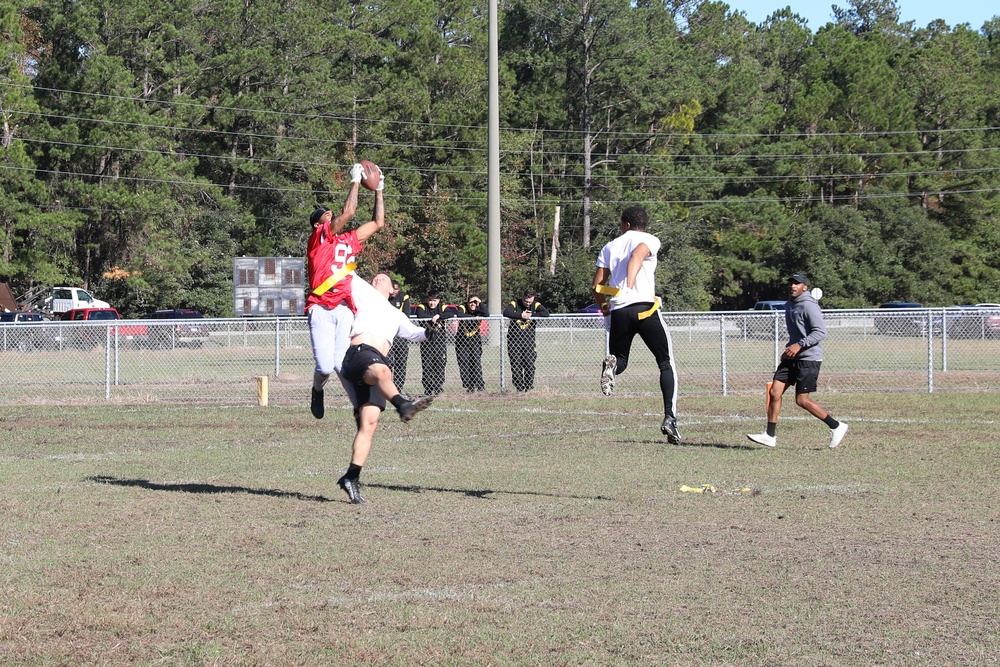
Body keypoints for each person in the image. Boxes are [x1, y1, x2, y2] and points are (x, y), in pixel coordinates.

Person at [336, 273, 436, 504]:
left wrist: (428, 332)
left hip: (376, 363)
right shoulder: (365, 294)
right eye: (375, 277)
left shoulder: (396, 313)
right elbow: (346, 271)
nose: (377, 279)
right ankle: (403, 405)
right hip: (360, 355)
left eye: (383, 278)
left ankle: (351, 476)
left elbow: (413, 332)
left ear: (394, 289)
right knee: (383, 372)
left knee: (369, 423)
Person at [592, 205, 681, 444]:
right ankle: (669, 417)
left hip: (619, 310)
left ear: (627, 224)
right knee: (665, 363)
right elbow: (637, 256)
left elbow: (596, 287)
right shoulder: (650, 239)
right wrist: (631, 282)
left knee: (620, 359)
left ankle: (611, 367)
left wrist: (604, 307)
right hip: (644, 309)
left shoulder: (609, 246)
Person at [305, 162, 384, 420]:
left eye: (330, 213)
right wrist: (354, 180)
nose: (329, 215)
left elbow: (377, 223)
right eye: (325, 215)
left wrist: (379, 190)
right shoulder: (318, 239)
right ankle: (318, 390)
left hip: (343, 307)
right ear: (319, 224)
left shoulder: (346, 240)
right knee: (326, 367)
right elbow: (349, 212)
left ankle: (359, 408)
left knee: (343, 365)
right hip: (320, 306)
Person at [747, 273, 849, 449]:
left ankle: (837, 426)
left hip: (809, 358)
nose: (793, 286)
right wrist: (789, 349)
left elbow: (820, 332)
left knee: (802, 400)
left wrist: (799, 345)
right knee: (774, 393)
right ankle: (770, 436)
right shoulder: (790, 305)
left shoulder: (809, 306)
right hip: (792, 357)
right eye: (791, 283)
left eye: (797, 283)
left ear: (805, 287)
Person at [502, 289, 550, 391]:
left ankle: (528, 386)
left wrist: (530, 316)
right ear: (523, 297)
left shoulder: (536, 304)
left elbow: (546, 313)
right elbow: (506, 312)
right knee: (516, 365)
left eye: (530, 301)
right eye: (526, 301)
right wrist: (521, 316)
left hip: (528, 341)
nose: (528, 303)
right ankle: (519, 388)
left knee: (529, 364)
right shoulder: (515, 303)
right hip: (514, 341)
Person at [413, 291, 452, 395]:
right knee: (427, 366)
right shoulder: (422, 306)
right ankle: (428, 389)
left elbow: (450, 313)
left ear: (438, 301)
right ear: (427, 300)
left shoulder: (442, 307)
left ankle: (438, 387)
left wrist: (439, 316)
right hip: (426, 342)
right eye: (430, 300)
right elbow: (420, 315)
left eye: (434, 300)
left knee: (440, 364)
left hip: (440, 342)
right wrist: (432, 319)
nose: (432, 303)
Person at [453, 295, 488, 392]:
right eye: (471, 302)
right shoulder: (463, 307)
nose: (473, 304)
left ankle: (480, 385)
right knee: (464, 362)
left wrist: (480, 302)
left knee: (476, 362)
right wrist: (474, 317)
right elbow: (460, 315)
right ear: (467, 303)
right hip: (462, 341)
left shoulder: (480, 309)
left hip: (475, 341)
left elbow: (487, 314)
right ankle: (469, 386)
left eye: (475, 302)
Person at [386, 279, 412, 393]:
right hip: (388, 335)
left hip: (401, 336)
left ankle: (398, 388)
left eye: (397, 289)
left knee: (401, 362)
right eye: (393, 288)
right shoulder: (383, 297)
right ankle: (387, 387)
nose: (394, 291)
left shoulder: (404, 297)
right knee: (387, 362)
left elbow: (406, 315)